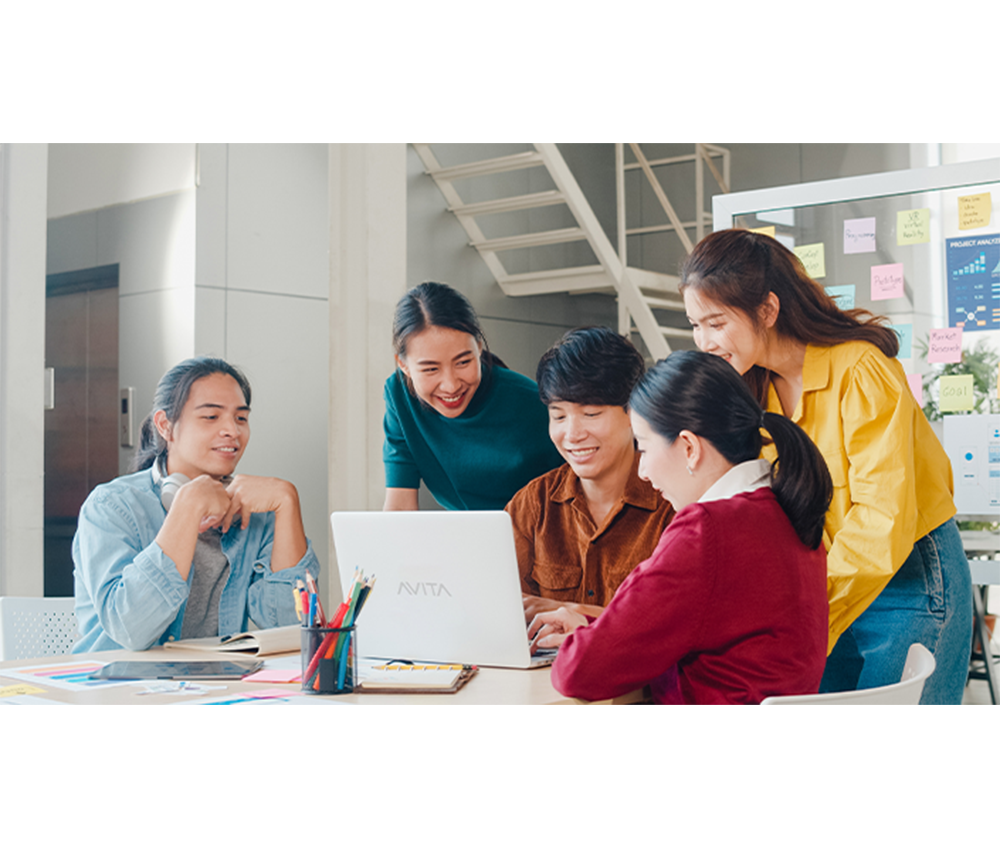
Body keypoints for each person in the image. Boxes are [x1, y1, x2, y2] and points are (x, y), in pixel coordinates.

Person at [680, 228, 973, 704]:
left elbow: (883, 518)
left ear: (768, 310)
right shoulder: (757, 393)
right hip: (829, 584)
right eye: (695, 325)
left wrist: (803, 606)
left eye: (716, 323)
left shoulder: (859, 369)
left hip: (910, 583)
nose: (704, 341)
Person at [529, 350, 832, 704]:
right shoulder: (785, 508)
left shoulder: (707, 530)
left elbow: (579, 672)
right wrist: (592, 631)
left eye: (643, 448)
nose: (642, 471)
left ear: (688, 447)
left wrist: (581, 641)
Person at [73, 357, 319, 652]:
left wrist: (286, 502)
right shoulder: (111, 507)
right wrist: (187, 507)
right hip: (118, 687)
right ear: (166, 426)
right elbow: (131, 629)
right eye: (211, 417)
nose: (232, 430)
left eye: (241, 418)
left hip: (215, 688)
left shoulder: (256, 512)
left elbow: (297, 631)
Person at [506, 327, 675, 621]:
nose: (572, 435)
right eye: (558, 416)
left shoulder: (673, 504)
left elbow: (678, 625)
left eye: (591, 414)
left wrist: (582, 616)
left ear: (634, 413)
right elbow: (496, 600)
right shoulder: (533, 504)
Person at [383, 282, 563, 511]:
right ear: (403, 365)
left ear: (479, 347)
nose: (450, 386)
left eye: (463, 362)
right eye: (430, 369)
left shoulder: (534, 404)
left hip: (536, 539)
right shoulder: (400, 396)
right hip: (465, 539)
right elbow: (399, 510)